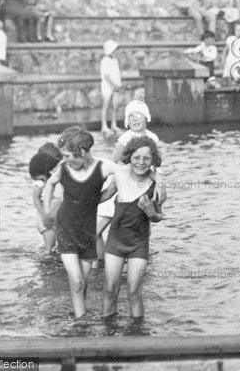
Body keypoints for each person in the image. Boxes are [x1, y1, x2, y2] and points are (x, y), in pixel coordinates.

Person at [41, 129, 119, 319]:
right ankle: (80, 322)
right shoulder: (63, 168)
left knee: (83, 283)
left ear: (83, 152)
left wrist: (107, 194)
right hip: (66, 227)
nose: (65, 159)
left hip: (88, 231)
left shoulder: (103, 167)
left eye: (67, 155)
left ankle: (77, 314)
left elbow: (126, 172)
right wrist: (46, 210)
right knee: (76, 281)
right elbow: (49, 185)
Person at [102, 136, 164, 321]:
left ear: (153, 160)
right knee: (110, 289)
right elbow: (104, 195)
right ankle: (107, 330)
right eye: (136, 157)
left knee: (134, 292)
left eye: (146, 158)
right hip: (115, 242)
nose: (141, 162)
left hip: (139, 244)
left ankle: (137, 334)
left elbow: (158, 217)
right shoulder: (120, 175)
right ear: (129, 156)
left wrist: (149, 210)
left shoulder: (156, 185)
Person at [97, 100, 160, 270]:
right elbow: (112, 163)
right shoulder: (124, 139)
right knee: (99, 228)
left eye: (138, 115)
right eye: (131, 116)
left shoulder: (153, 138)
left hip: (144, 187)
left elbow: (156, 165)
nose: (135, 119)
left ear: (146, 116)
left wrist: (159, 181)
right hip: (121, 187)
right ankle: (100, 263)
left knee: (143, 225)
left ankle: (139, 259)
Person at [29, 146, 62, 253]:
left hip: (53, 219)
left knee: (55, 245)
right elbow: (36, 199)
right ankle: (46, 261)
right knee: (50, 248)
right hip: (46, 220)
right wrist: (44, 214)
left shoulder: (51, 178)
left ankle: (48, 257)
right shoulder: (39, 183)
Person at [100, 39, 122, 137]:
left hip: (115, 86)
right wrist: (112, 84)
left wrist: (118, 84)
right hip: (107, 86)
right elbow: (106, 75)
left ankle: (114, 124)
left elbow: (116, 73)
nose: (115, 52)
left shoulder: (115, 60)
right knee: (106, 105)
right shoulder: (105, 61)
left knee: (115, 106)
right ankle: (104, 125)